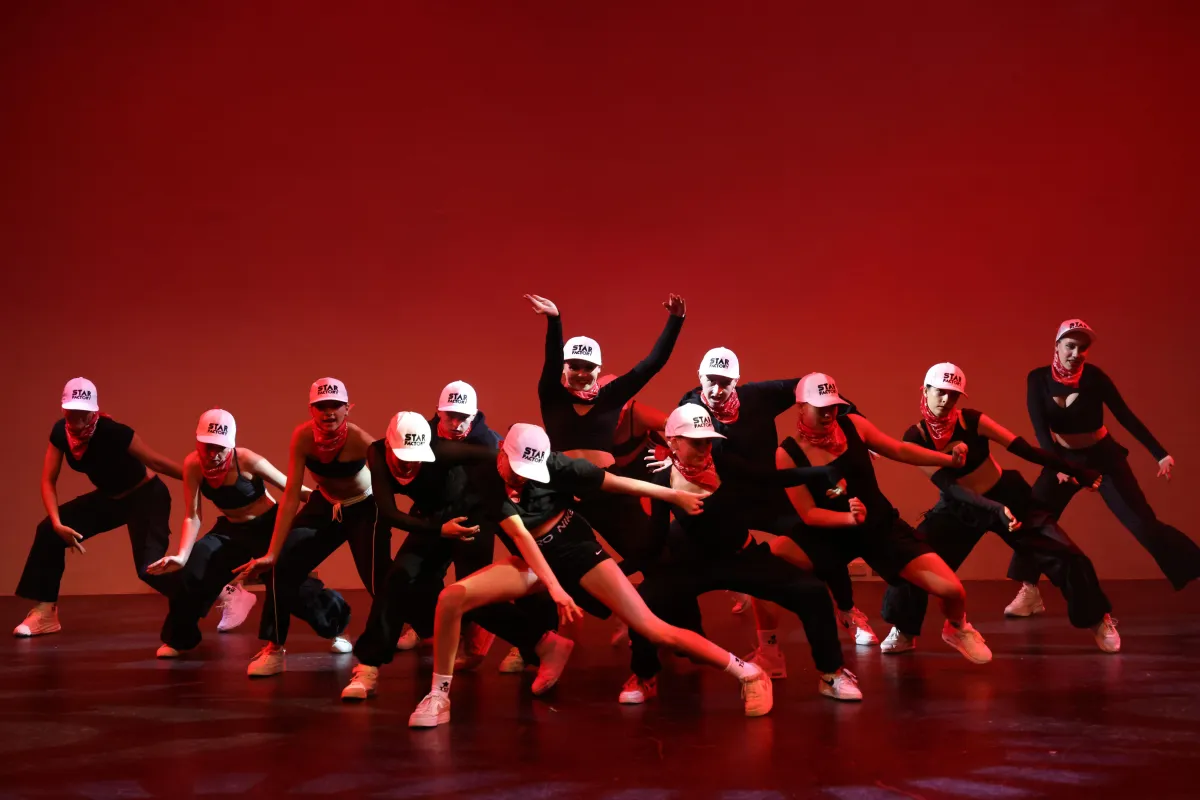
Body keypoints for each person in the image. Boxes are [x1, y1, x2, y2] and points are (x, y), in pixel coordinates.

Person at [407, 423, 773, 728]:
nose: (520, 478)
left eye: (528, 472)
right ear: (502, 452)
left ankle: (749, 673)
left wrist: (671, 496)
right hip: (534, 559)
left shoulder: (560, 466)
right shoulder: (487, 480)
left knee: (651, 627)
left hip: (577, 549)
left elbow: (617, 484)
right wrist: (555, 589)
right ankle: (439, 695)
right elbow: (521, 536)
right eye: (515, 468)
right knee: (451, 597)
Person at [620, 405, 861, 706]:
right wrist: (620, 568)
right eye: (696, 442)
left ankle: (832, 673)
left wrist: (821, 471)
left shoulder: (724, 464)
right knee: (644, 601)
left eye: (708, 440)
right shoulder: (661, 481)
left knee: (811, 592)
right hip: (693, 563)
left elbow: (770, 478)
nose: (705, 448)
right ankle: (644, 676)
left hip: (742, 556)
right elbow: (655, 539)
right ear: (673, 442)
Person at [879, 364, 1120, 655]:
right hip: (960, 508)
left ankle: (1097, 619)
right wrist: (994, 510)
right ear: (925, 390)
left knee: (1063, 552)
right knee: (914, 560)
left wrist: (1076, 470)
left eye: (953, 396)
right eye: (940, 392)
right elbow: (952, 487)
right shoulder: (914, 438)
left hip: (1009, 496)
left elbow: (1023, 449)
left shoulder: (972, 420)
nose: (945, 400)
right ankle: (904, 631)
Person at [341, 403, 569, 701]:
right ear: (389, 447)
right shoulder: (376, 454)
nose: (410, 465)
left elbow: (493, 454)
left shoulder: (442, 450)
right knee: (398, 578)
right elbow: (388, 513)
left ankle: (543, 643)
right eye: (403, 457)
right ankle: (368, 666)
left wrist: (533, 472)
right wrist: (438, 529)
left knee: (472, 595)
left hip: (469, 516)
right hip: (433, 521)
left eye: (417, 458)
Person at [764, 373, 994, 665]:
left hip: (879, 527)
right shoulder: (787, 454)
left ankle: (957, 628)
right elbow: (808, 513)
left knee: (953, 590)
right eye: (819, 408)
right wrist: (848, 519)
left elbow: (898, 450)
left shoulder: (853, 425)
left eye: (832, 406)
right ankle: (767, 649)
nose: (828, 414)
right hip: (829, 533)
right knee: (767, 563)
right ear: (800, 407)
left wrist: (948, 460)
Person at [1005, 319, 1200, 616]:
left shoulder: (1094, 377)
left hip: (1103, 458)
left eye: (1082, 348)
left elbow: (1125, 415)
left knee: (1143, 524)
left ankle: (1195, 567)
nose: (1076, 353)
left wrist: (1159, 454)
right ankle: (1029, 592)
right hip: (1061, 460)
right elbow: (1040, 428)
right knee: (1033, 519)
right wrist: (1055, 465)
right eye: (1070, 346)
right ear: (1056, 346)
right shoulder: (1037, 379)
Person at [149, 409, 350, 657]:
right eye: (206, 447)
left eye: (219, 448)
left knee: (289, 583)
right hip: (230, 530)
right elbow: (193, 515)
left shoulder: (247, 460)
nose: (212, 455)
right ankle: (179, 639)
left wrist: (331, 501)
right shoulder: (193, 465)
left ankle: (337, 630)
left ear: (231, 445)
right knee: (194, 568)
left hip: (269, 527)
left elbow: (292, 487)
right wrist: (181, 555)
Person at [235, 378, 389, 677]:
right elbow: (292, 494)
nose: (328, 413)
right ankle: (274, 649)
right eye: (321, 406)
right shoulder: (303, 438)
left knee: (377, 581)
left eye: (335, 406)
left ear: (348, 408)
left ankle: (419, 630)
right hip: (325, 505)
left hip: (363, 507)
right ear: (311, 409)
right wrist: (271, 552)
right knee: (279, 567)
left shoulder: (361, 441)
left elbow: (391, 482)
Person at [526, 292, 685, 575]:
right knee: (553, 567)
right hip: (562, 494)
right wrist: (554, 320)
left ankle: (629, 602)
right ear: (564, 368)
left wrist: (675, 320)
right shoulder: (552, 396)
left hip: (607, 491)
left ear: (599, 369)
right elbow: (550, 360)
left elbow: (651, 364)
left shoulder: (611, 397)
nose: (581, 373)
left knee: (653, 555)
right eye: (574, 366)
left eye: (589, 367)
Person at [14, 378, 183, 637]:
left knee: (149, 569)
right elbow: (48, 479)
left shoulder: (114, 432)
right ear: (63, 408)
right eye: (72, 411)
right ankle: (46, 612)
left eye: (84, 412)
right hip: (110, 499)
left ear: (94, 410)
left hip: (146, 497)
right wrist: (58, 523)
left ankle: (219, 591)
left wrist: (198, 479)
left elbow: (156, 462)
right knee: (49, 530)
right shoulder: (61, 433)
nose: (78, 419)